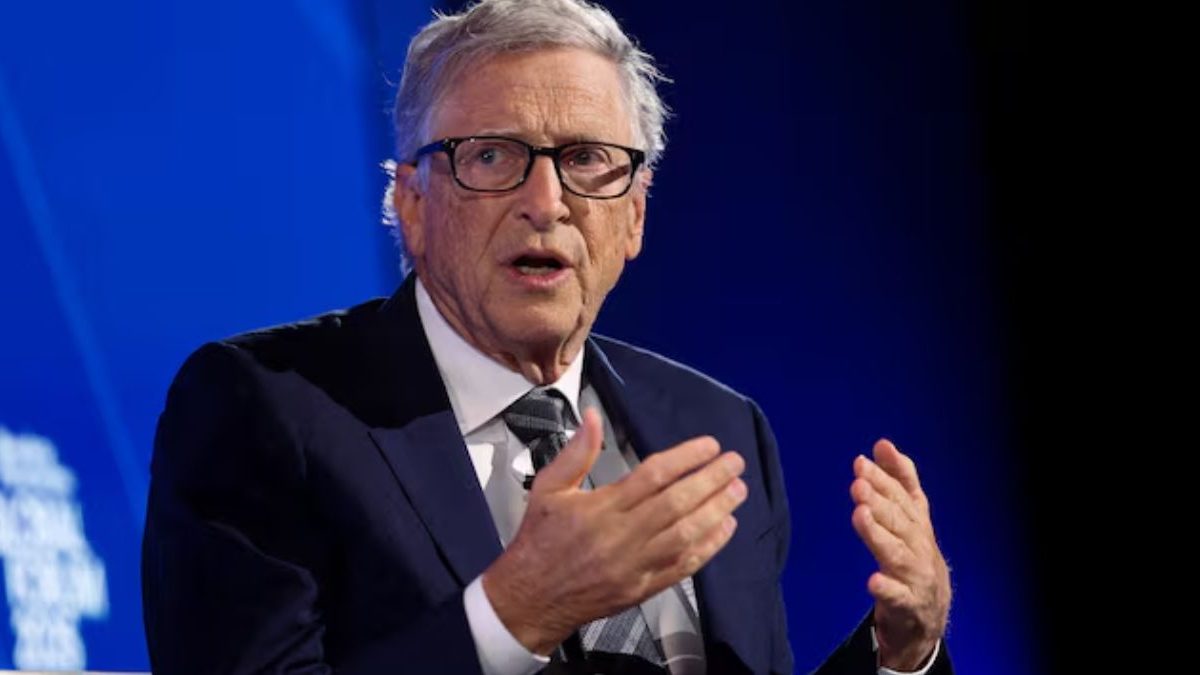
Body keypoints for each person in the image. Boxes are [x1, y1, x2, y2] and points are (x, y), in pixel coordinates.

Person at [141, 1, 953, 673]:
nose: (546, 199)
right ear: (412, 205)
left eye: (588, 159)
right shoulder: (266, 408)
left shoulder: (716, 427)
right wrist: (517, 610)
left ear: (634, 214)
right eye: (492, 155)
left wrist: (903, 652)